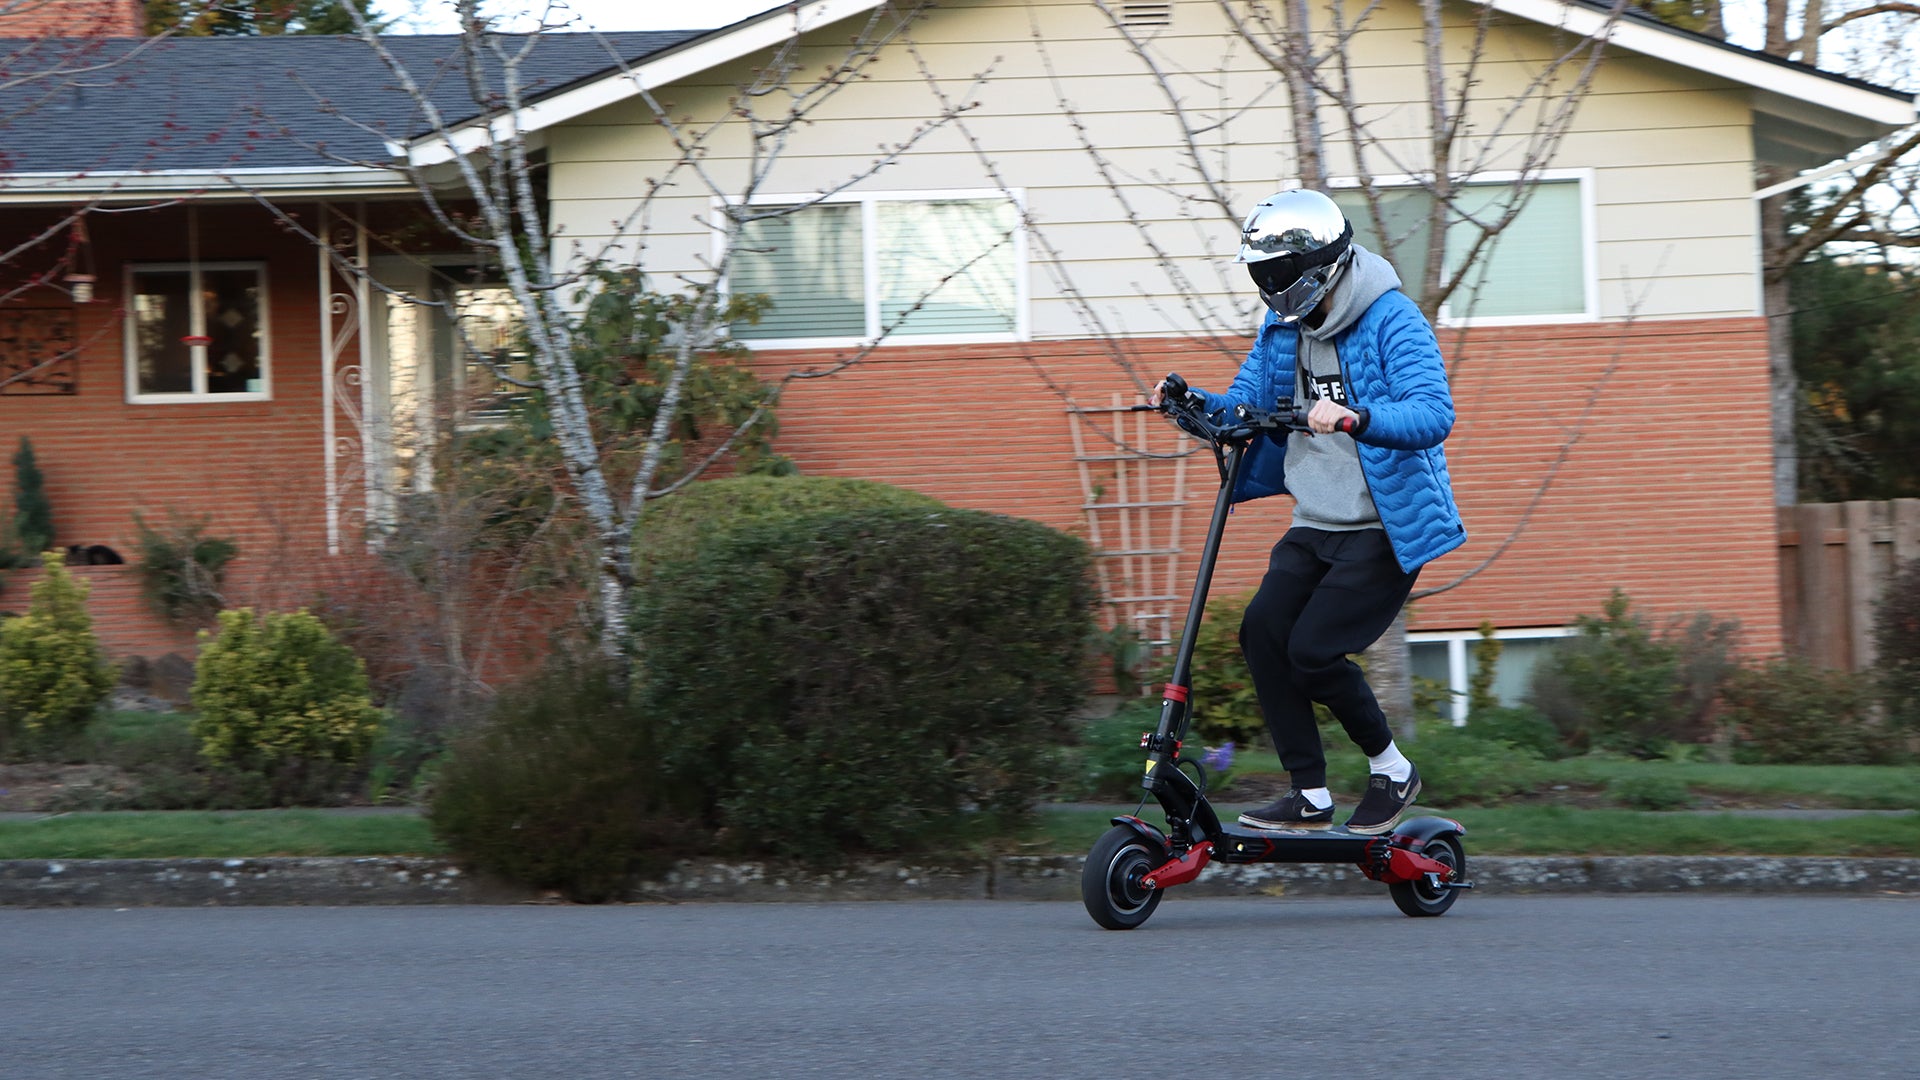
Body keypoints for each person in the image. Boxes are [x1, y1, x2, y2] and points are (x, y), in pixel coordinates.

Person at [1150, 188, 1465, 835]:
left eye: (1281, 278)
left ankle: (1393, 770)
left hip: (1382, 526)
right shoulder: (1282, 328)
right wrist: (1189, 405)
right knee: (1263, 632)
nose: (1273, 291)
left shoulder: (1391, 318)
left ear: (1321, 267)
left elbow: (1434, 412)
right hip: (1316, 523)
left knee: (1314, 652)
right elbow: (1243, 407)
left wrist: (1358, 416)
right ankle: (1309, 795)